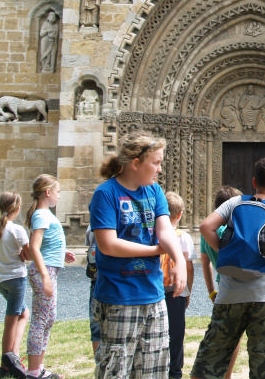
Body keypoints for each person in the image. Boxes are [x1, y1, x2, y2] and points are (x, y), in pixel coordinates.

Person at [90, 132, 187, 379]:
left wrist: (178, 260)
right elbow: (108, 244)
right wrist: (154, 251)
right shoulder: (106, 193)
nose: (160, 169)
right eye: (156, 163)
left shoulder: (154, 192)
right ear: (136, 163)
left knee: (154, 371)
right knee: (115, 371)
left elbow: (165, 231)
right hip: (119, 297)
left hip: (153, 296)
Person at [190, 156, 265, 379]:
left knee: (209, 361)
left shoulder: (235, 202)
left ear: (254, 182)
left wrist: (224, 250)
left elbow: (205, 226)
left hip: (230, 294)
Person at [25, 174, 76, 379]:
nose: (59, 196)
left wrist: (62, 253)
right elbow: (34, 247)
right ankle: (33, 371)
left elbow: (47, 243)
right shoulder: (41, 215)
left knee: (48, 318)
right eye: (58, 192)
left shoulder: (45, 214)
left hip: (49, 268)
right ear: (48, 192)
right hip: (43, 271)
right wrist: (45, 276)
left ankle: (39, 368)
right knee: (40, 319)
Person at [199, 186, 243, 379]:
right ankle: (227, 374)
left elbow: (205, 263)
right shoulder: (235, 231)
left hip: (222, 287)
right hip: (243, 286)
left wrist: (211, 291)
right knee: (237, 336)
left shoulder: (209, 232)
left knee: (222, 334)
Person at [0, 192, 30, 379]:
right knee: (11, 320)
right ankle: (6, 364)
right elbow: (29, 254)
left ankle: (14, 355)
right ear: (17, 208)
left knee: (23, 314)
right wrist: (22, 254)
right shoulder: (17, 230)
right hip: (16, 279)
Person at [163, 192, 196, 379]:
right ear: (180, 214)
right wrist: (188, 290)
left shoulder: (154, 235)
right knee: (175, 333)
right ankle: (174, 371)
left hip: (156, 290)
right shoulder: (184, 237)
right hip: (177, 291)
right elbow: (189, 267)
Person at [85, 225, 101, 356]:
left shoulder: (92, 225)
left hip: (96, 279)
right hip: (101, 279)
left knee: (97, 326)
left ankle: (99, 362)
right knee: (97, 326)